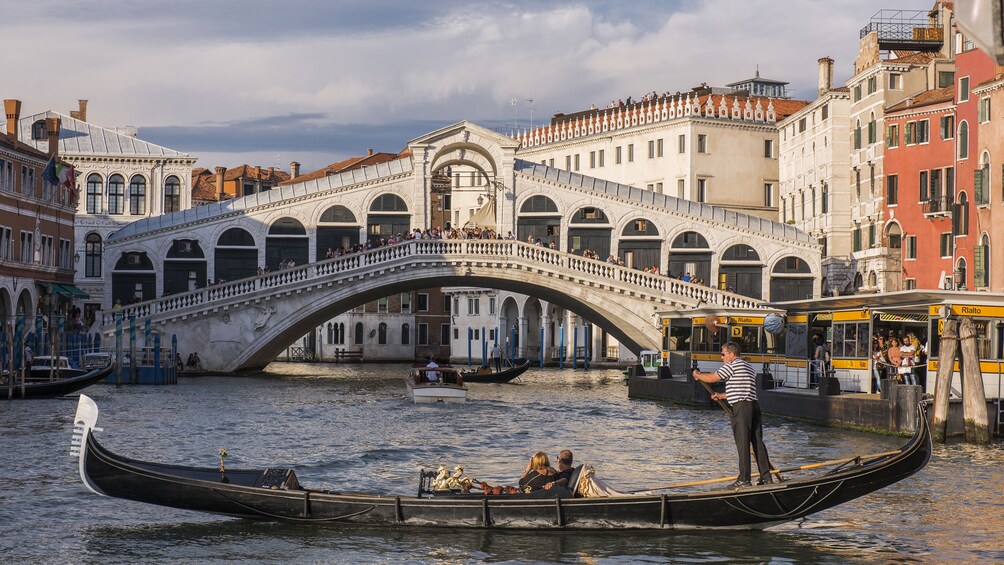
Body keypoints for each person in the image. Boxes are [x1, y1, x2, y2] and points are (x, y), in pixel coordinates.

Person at [692, 341, 774, 488]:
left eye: (723, 354)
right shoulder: (748, 366)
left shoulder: (732, 365)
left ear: (731, 354)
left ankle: (744, 479)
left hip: (741, 408)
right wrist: (722, 395)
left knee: (742, 443)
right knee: (757, 443)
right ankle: (766, 477)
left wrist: (697, 374)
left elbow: (711, 378)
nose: (721, 358)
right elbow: (741, 388)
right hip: (753, 406)